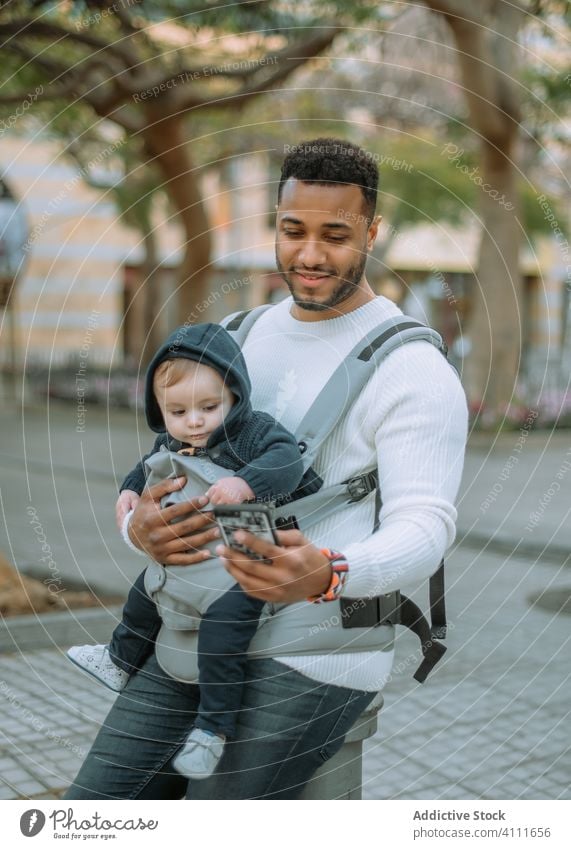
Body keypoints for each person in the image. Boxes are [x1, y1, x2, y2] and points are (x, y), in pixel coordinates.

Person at [65, 137, 467, 800]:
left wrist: (329, 571)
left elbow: (425, 528)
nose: (309, 255)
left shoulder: (414, 371)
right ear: (274, 224)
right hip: (195, 627)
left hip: (314, 654)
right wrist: (139, 525)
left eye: (335, 235)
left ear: (373, 230)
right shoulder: (238, 334)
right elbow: (175, 458)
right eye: (293, 231)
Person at [67, 321, 320, 780]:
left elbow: (288, 461)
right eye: (178, 411)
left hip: (248, 554)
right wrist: (128, 495)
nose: (196, 421)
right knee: (145, 592)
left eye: (209, 407)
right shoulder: (171, 440)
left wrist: (245, 482)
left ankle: (212, 728)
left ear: (235, 398)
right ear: (160, 411)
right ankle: (119, 658)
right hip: (193, 560)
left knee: (224, 634)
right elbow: (146, 468)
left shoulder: (253, 434)